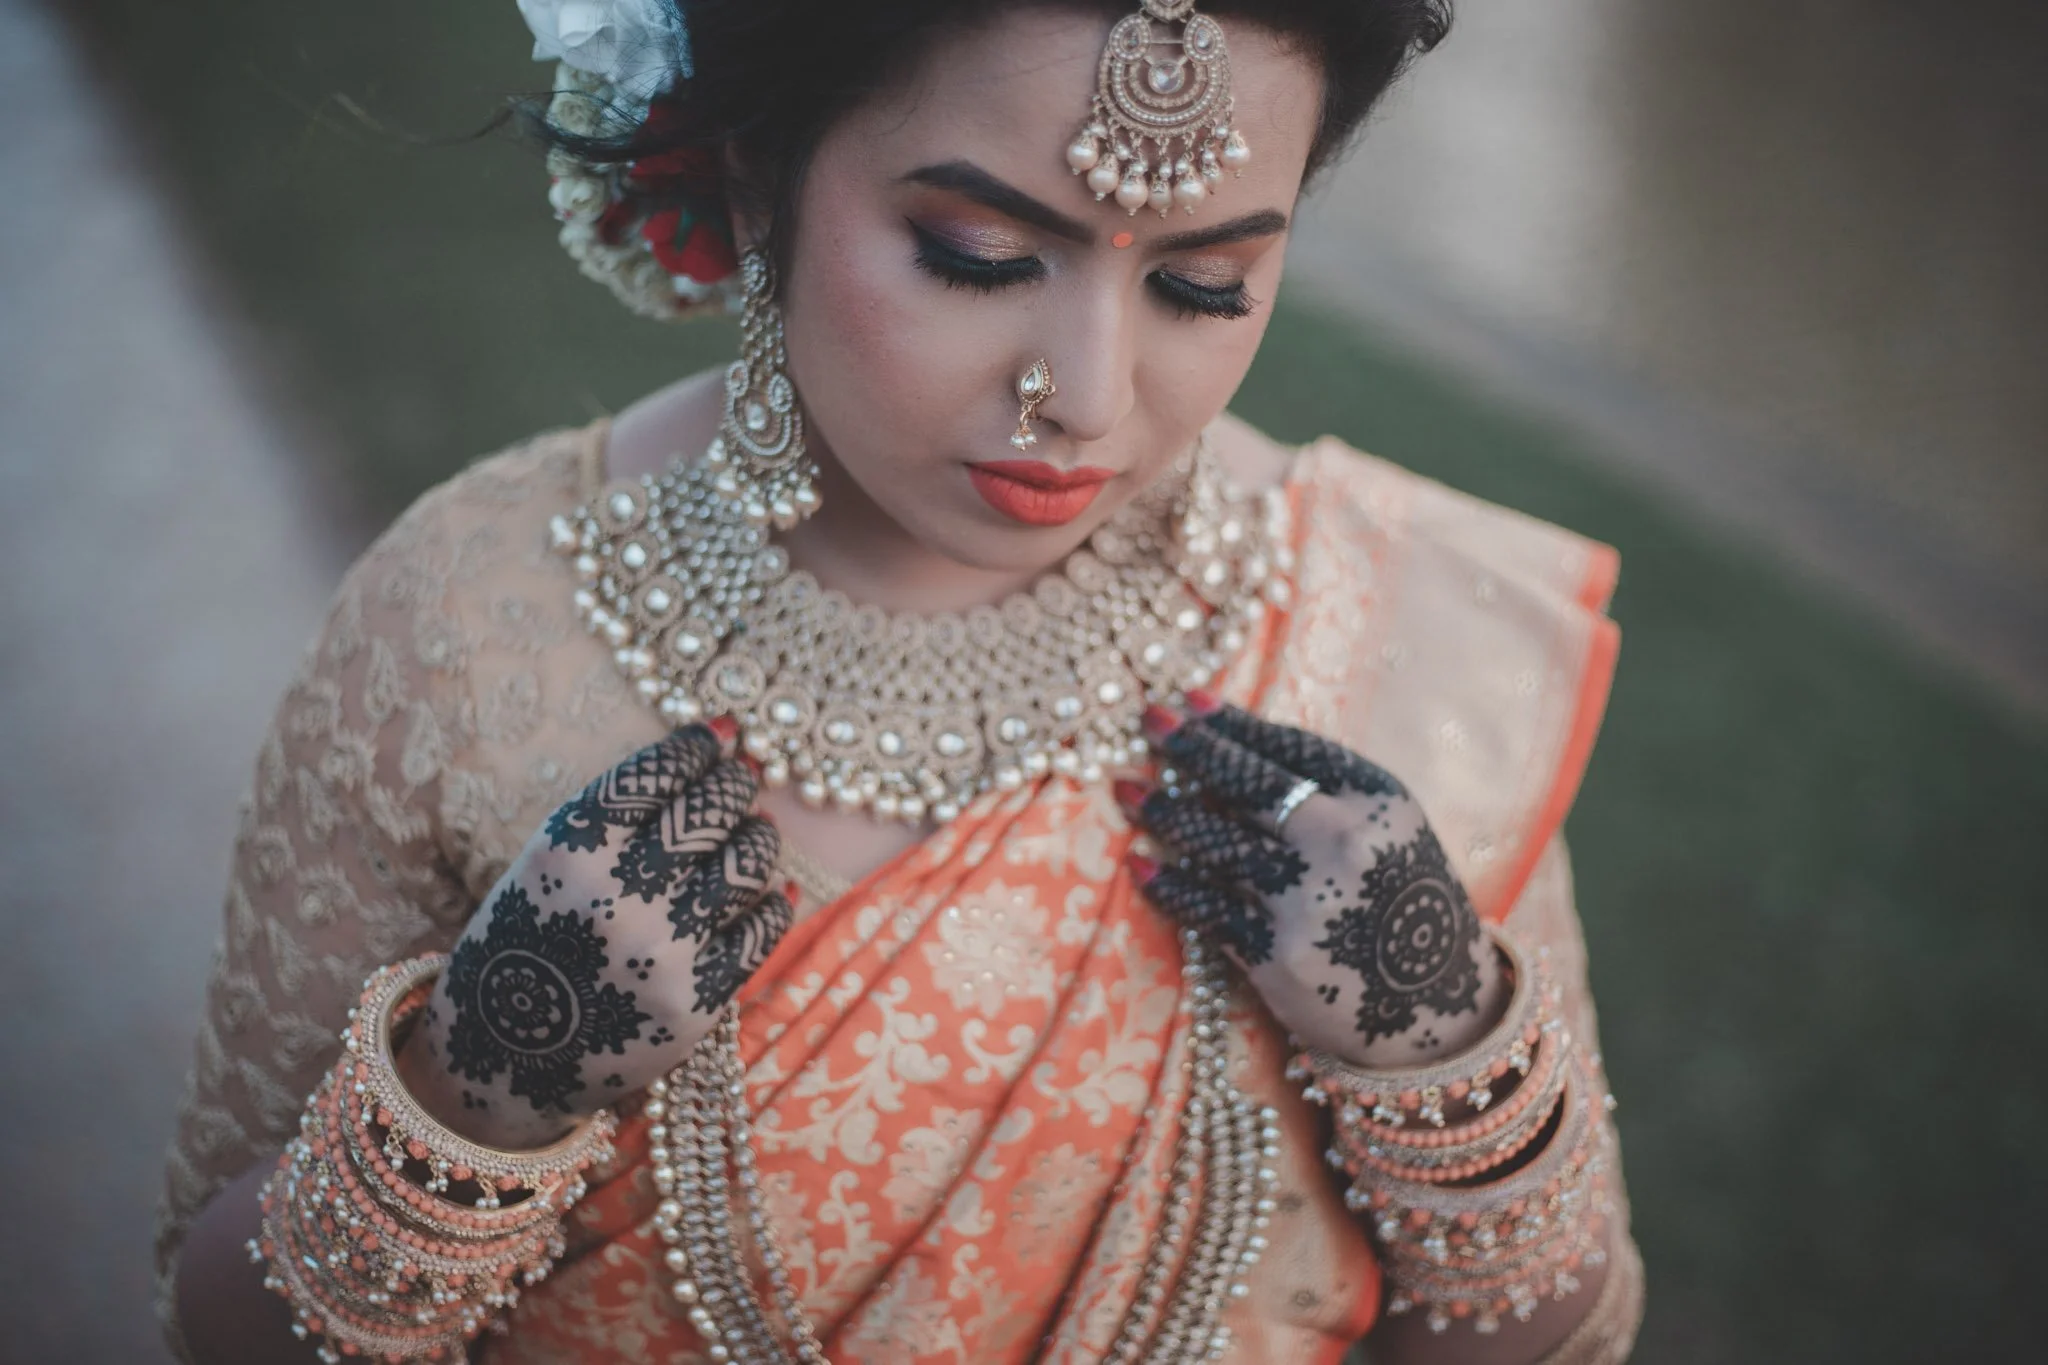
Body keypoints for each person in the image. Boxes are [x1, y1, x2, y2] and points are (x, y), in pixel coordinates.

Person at [158, 2, 1642, 1361]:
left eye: (1205, 283)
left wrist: (1444, 1057)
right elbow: (217, 1329)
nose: (1089, 396)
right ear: (755, 182)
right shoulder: (473, 624)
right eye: (980, 255)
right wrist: (478, 1088)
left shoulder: (1393, 641)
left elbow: (1561, 1339)